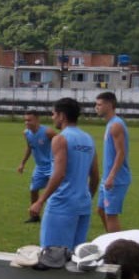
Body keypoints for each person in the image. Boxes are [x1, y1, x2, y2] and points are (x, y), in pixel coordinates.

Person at [29, 97, 99, 249]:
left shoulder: (60, 139)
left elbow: (59, 174)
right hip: (83, 206)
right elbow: (95, 176)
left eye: (54, 114)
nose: (52, 117)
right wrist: (86, 199)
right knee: (73, 258)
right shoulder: (88, 139)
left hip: (61, 205)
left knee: (52, 256)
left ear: (62, 116)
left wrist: (40, 201)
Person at [94, 91, 131, 232]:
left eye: (99, 104)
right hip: (108, 177)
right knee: (101, 211)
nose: (96, 107)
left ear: (110, 105)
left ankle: (118, 248)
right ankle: (111, 240)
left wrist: (111, 176)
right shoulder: (110, 124)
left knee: (111, 215)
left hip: (116, 179)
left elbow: (121, 152)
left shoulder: (116, 125)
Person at [16, 110, 56, 223]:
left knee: (54, 192)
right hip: (39, 167)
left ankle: (53, 216)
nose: (26, 122)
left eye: (29, 120)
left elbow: (61, 144)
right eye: (25, 120)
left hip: (52, 166)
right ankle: (35, 216)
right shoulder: (26, 133)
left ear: (37, 120)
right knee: (33, 190)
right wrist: (22, 163)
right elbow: (29, 147)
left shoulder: (48, 132)